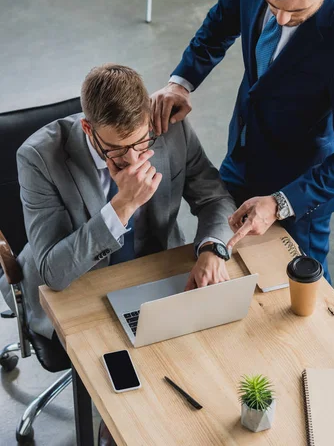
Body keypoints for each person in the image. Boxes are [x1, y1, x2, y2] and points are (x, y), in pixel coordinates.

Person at [0, 63, 235, 446]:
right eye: (117, 150)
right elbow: (53, 273)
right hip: (76, 287)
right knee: (125, 408)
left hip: (150, 270)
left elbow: (215, 198)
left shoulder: (167, 128)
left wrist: (212, 248)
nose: (133, 160)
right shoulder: (39, 158)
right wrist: (121, 207)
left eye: (141, 144)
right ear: (88, 129)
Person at [151, 0, 334, 283]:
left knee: (300, 287)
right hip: (242, 149)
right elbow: (222, 21)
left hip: (301, 188)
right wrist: (181, 83)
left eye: (298, 14)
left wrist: (280, 203)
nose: (282, 19)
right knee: (221, 262)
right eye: (274, 5)